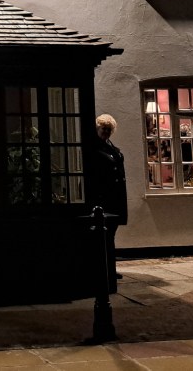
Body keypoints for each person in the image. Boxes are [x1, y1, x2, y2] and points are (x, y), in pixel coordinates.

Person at [87, 113, 128, 290]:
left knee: (111, 235)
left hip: (115, 196)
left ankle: (110, 268)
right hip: (105, 197)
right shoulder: (95, 148)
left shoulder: (109, 146)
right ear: (97, 129)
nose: (106, 132)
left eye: (109, 130)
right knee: (106, 235)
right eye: (104, 129)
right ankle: (107, 269)